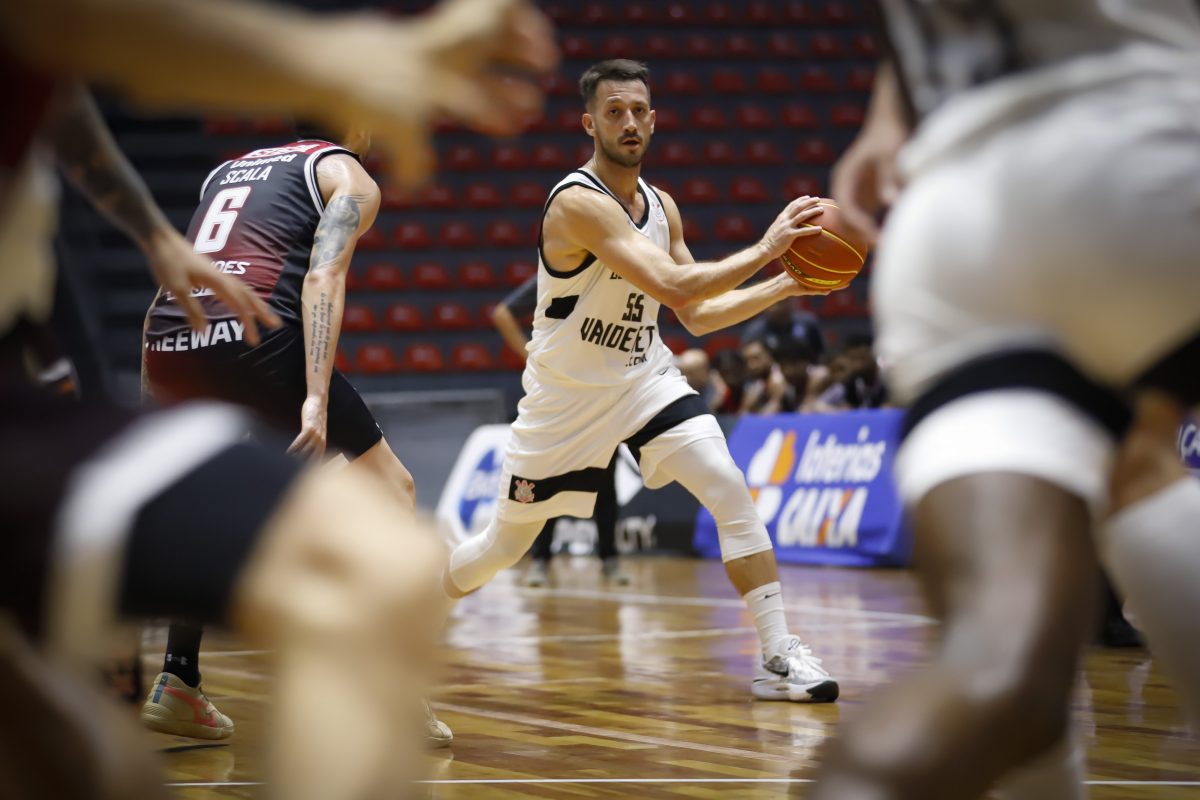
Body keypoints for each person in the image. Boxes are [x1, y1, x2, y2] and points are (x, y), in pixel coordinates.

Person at [813, 3, 1200, 798]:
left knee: (998, 661)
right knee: (1145, 457)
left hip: (955, 215)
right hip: (1151, 147)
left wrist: (889, 112)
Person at [442, 59, 842, 704]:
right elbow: (675, 286)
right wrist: (768, 248)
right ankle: (416, 603)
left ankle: (777, 655)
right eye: (613, 112)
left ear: (653, 120)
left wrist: (785, 285)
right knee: (500, 549)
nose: (628, 122)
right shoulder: (577, 203)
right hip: (566, 399)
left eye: (637, 111)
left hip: (643, 377)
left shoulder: (661, 207)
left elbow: (698, 315)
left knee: (728, 486)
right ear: (589, 124)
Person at [493, 274, 631, 587]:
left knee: (606, 482)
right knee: (549, 479)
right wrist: (535, 360)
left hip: (598, 392)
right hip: (557, 396)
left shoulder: (608, 276)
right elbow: (502, 313)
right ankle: (541, 559)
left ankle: (609, 558)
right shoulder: (555, 273)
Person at [741, 297, 826, 361]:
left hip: (805, 371)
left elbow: (820, 352)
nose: (779, 307)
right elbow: (747, 361)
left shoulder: (807, 322)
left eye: (783, 301)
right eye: (774, 303)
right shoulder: (755, 331)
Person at [676, 348, 729, 414]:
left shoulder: (716, 391)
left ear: (704, 372)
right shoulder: (678, 387)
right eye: (683, 372)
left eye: (691, 373)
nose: (685, 377)